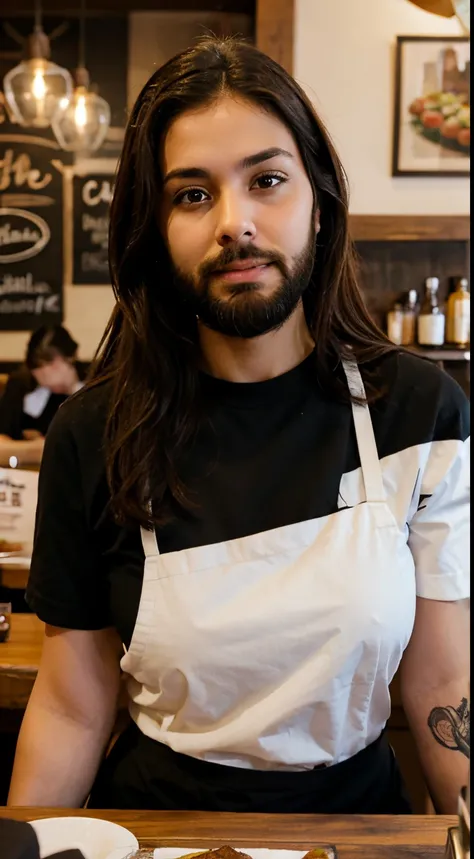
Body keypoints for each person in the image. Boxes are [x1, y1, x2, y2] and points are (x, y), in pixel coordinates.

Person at [8, 37, 469, 814]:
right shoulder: (94, 433)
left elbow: (445, 683)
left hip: (358, 828)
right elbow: (71, 705)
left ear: (318, 202)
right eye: (192, 194)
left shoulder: (419, 411)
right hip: (157, 825)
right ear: (155, 230)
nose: (236, 222)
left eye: (267, 181)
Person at [0, 325, 85, 466]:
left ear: (71, 357)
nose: (47, 373)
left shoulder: (94, 388)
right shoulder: (22, 385)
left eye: (52, 364)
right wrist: (38, 450)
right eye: (39, 366)